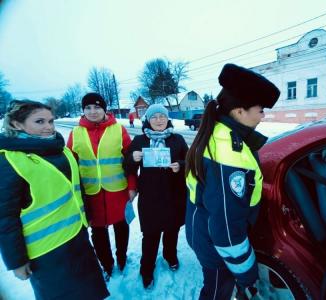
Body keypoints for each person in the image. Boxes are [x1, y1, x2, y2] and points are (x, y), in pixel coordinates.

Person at [185, 63, 280, 300]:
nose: (263, 115)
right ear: (239, 112)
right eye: (260, 110)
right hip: (217, 248)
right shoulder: (228, 155)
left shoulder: (218, 133)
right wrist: (246, 273)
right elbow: (226, 228)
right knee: (216, 293)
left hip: (203, 232)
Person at [0, 100, 109, 300]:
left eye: (50, 121)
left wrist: (88, 216)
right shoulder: (9, 160)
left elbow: (77, 189)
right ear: (17, 124)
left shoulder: (61, 150)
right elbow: (5, 217)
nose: (48, 127)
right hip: (47, 252)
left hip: (78, 238)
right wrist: (16, 261)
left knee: (90, 291)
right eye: (39, 122)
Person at [67, 93, 137, 281]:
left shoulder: (119, 130)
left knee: (121, 227)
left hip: (118, 190)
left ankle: (122, 258)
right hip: (91, 194)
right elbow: (71, 166)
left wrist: (132, 186)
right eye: (88, 108)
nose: (93, 111)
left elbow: (130, 161)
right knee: (97, 232)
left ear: (104, 109)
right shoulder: (76, 133)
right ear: (83, 111)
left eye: (97, 107)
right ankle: (107, 264)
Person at [123, 104, 188, 289]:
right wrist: (132, 158)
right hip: (150, 196)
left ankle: (170, 255)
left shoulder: (177, 139)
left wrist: (179, 165)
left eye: (162, 116)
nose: (159, 120)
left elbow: (190, 161)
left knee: (172, 230)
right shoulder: (139, 140)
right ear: (148, 120)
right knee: (150, 235)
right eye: (154, 117)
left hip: (174, 194)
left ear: (168, 119)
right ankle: (147, 269)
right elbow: (127, 167)